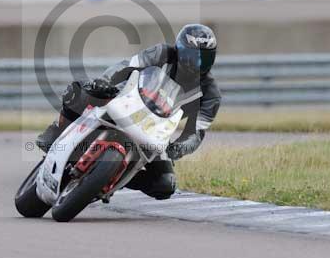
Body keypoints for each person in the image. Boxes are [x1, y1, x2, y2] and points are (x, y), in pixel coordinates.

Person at [36, 24, 221, 200]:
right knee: (80, 92)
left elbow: (195, 133)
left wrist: (178, 149)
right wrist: (106, 82)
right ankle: (56, 131)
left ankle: (111, 176)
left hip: (155, 130)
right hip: (126, 98)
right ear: (179, 50)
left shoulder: (210, 94)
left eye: (203, 59)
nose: (195, 64)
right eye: (190, 56)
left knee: (165, 185)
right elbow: (127, 65)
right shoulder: (162, 53)